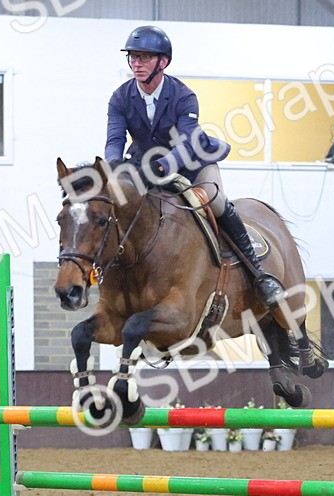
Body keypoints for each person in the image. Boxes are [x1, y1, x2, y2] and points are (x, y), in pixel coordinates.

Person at [104, 25, 285, 309]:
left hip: (192, 162)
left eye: (144, 58)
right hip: (144, 164)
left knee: (216, 203)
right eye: (133, 57)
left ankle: (260, 275)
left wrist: (162, 168)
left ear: (162, 62)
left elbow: (186, 145)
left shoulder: (184, 96)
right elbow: (114, 140)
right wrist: (114, 168)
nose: (136, 64)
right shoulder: (120, 97)